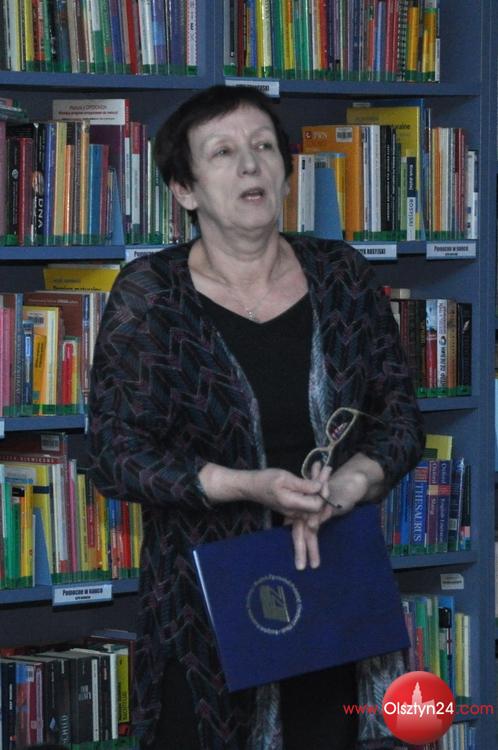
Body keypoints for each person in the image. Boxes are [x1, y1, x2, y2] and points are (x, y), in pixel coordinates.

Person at [87, 85, 425, 750]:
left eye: (264, 146)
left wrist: (352, 482)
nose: (250, 164)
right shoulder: (150, 296)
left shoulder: (343, 275)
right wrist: (244, 485)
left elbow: (400, 419)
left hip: (334, 587)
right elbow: (116, 455)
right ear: (184, 190)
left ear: (285, 171)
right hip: (205, 608)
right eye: (223, 152)